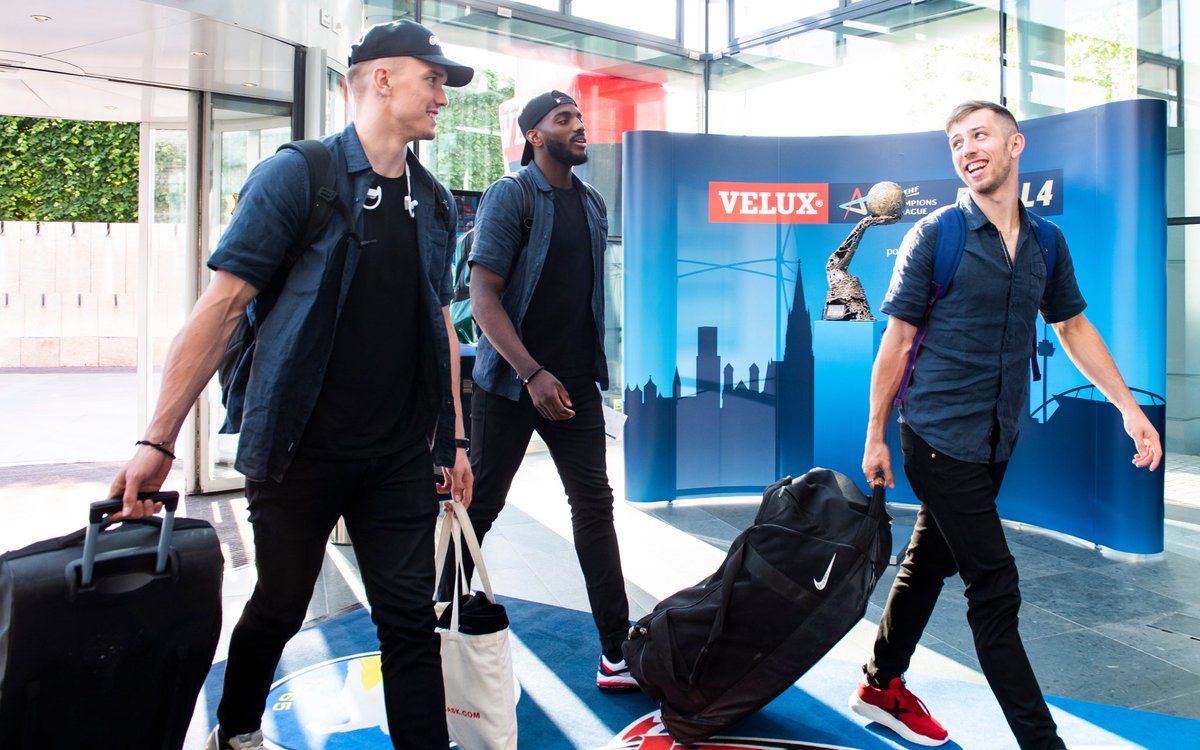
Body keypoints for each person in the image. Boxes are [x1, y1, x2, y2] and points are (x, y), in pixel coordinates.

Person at [108, 20, 474, 750]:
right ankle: (236, 730)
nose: (442, 96)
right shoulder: (299, 178)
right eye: (432, 79)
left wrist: (455, 440)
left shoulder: (433, 202)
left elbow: (441, 326)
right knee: (279, 604)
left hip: (396, 456)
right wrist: (158, 439)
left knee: (409, 621)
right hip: (297, 450)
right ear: (381, 79)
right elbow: (221, 309)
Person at [851, 100, 1162, 749]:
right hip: (934, 436)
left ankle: (880, 685)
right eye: (956, 142)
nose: (967, 149)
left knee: (929, 561)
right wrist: (876, 435)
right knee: (995, 588)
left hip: (995, 437)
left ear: (1015, 145)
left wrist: (1129, 409)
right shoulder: (936, 235)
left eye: (980, 135)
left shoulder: (1047, 242)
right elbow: (897, 340)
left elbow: (1072, 327)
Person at [441, 90, 636, 691]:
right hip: (511, 384)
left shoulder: (593, 202)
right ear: (534, 136)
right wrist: (532, 373)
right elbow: (483, 298)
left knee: (594, 507)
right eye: (563, 119)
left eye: (579, 117)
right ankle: (432, 625)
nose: (579, 126)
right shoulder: (512, 195)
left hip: (575, 385)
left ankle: (617, 652)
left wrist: (583, 374)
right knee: (482, 506)